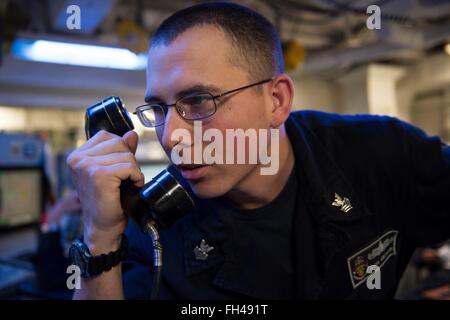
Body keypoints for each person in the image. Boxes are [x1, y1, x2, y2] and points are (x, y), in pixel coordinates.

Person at [66, 2, 450, 299]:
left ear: (276, 101)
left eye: (198, 100)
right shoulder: (153, 228)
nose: (171, 137)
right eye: (160, 110)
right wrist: (100, 237)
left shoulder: (380, 152)